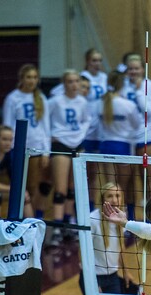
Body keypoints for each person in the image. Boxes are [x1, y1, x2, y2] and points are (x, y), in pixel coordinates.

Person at [48, 69, 91, 244]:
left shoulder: (82, 101)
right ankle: (57, 228)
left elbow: (87, 120)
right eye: (70, 81)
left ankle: (67, 224)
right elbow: (44, 121)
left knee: (73, 189)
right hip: (60, 145)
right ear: (64, 84)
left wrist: (80, 134)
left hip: (78, 145)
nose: (74, 85)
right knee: (61, 189)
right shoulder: (54, 101)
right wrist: (52, 136)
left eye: (76, 81)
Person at [2, 64, 51, 219]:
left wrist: (46, 152)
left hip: (36, 149)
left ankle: (34, 220)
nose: (32, 80)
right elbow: (7, 124)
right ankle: (18, 218)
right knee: (19, 187)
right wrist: (9, 147)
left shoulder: (41, 98)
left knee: (33, 186)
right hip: (18, 148)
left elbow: (46, 127)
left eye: (35, 77)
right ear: (21, 78)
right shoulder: (13, 98)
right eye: (29, 77)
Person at [98, 70, 142, 220]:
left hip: (105, 146)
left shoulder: (100, 103)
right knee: (122, 188)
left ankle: (109, 221)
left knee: (110, 187)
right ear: (122, 85)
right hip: (123, 147)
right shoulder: (128, 105)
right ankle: (125, 221)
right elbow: (137, 125)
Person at [122, 53, 151, 194]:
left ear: (142, 69)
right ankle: (130, 213)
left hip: (145, 136)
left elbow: (150, 111)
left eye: (136, 68)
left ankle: (150, 214)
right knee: (128, 180)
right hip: (126, 137)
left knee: (147, 178)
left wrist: (139, 91)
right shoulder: (122, 85)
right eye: (130, 69)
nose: (133, 72)